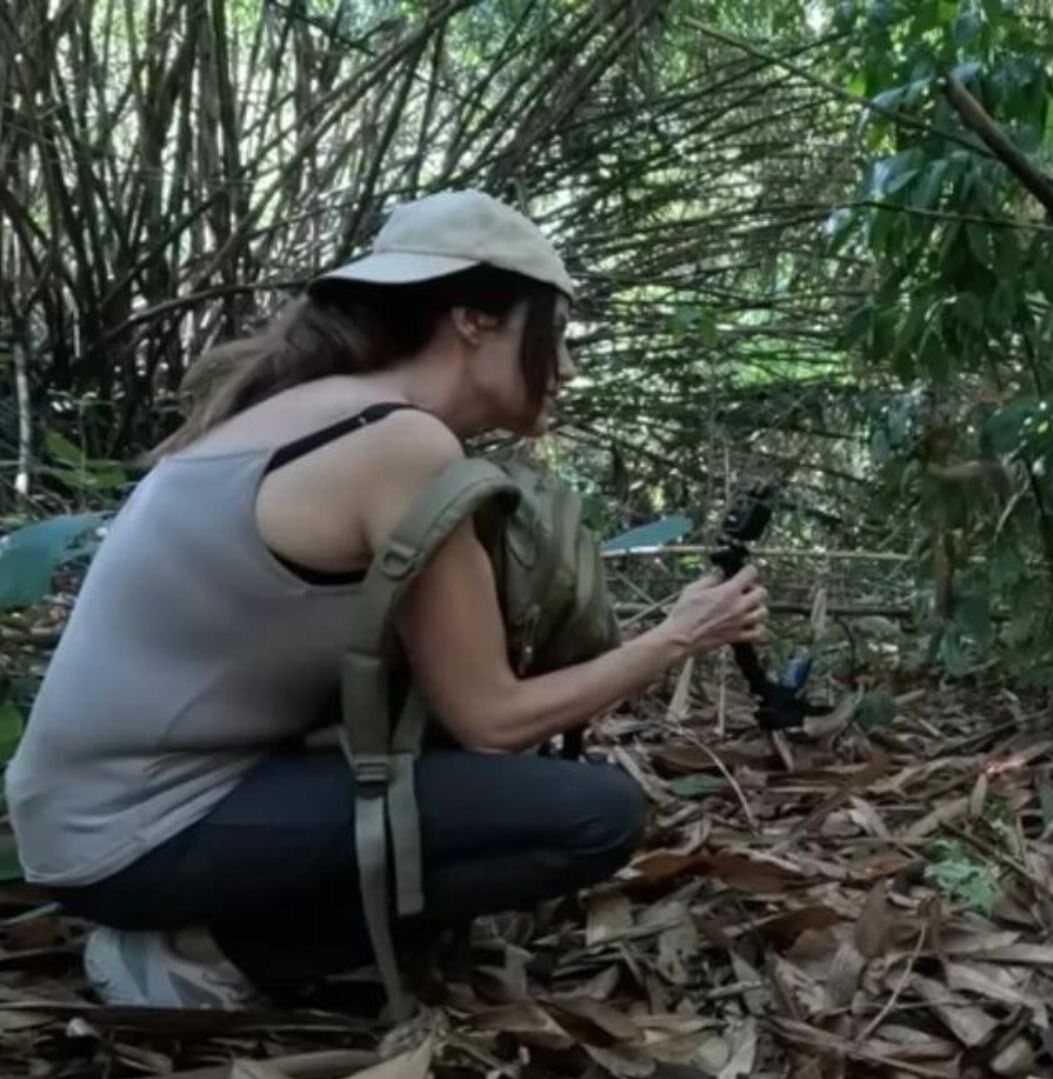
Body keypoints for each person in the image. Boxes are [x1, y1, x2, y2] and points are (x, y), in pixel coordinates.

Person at [4, 190, 767, 1009]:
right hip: (129, 837)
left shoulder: (310, 411)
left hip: (84, 816)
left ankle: (227, 919)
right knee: (592, 816)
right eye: (553, 332)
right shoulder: (399, 445)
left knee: (488, 791)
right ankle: (211, 955)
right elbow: (494, 719)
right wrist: (679, 637)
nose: (568, 367)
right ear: (473, 320)